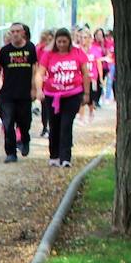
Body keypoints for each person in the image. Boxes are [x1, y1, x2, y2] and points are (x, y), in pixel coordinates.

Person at [36, 28, 89, 168]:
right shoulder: (48, 54)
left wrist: (87, 93)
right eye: (59, 41)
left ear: (69, 41)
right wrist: (38, 89)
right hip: (52, 95)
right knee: (54, 125)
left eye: (64, 41)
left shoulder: (77, 53)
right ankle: (54, 155)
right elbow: (40, 73)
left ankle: (66, 157)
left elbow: (85, 73)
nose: (61, 44)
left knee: (66, 125)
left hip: (72, 94)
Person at [0, 22, 38, 162]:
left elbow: (35, 69)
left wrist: (34, 88)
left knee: (25, 121)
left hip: (24, 92)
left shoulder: (30, 48)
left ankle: (25, 139)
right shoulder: (5, 50)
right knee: (8, 122)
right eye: (13, 31)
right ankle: (10, 152)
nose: (15, 34)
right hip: (8, 93)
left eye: (18, 31)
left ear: (23, 33)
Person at [37, 29, 55, 138]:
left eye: (50, 40)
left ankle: (52, 127)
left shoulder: (56, 51)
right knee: (45, 106)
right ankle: (45, 126)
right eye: (47, 40)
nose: (48, 42)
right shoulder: (40, 49)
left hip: (53, 82)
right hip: (43, 80)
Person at [103, 29, 116, 101]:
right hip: (107, 63)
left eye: (109, 35)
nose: (107, 37)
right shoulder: (106, 43)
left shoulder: (113, 43)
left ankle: (109, 96)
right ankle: (106, 96)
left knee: (110, 80)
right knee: (108, 80)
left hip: (112, 63)